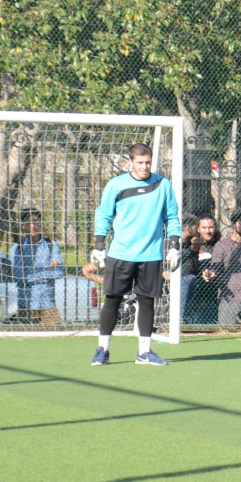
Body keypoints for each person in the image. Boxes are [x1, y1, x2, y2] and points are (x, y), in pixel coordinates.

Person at [90, 142, 180, 366]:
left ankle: (144, 352)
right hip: (120, 253)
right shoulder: (116, 184)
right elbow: (103, 214)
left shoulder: (163, 184)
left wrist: (174, 245)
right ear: (130, 162)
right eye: (140, 162)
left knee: (147, 301)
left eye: (147, 162)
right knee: (112, 300)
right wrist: (99, 245)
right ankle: (102, 349)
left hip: (151, 255)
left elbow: (172, 217)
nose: (144, 166)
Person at [9, 209, 62, 326]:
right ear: (23, 226)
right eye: (28, 223)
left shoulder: (51, 245)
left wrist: (30, 271)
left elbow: (58, 272)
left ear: (40, 223)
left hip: (48, 302)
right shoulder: (17, 248)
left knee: (55, 332)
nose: (32, 226)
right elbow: (20, 276)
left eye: (35, 221)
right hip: (26, 303)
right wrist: (47, 269)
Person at [183, 215, 221, 324]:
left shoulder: (219, 246)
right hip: (193, 295)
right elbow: (186, 272)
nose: (207, 231)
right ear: (198, 229)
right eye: (204, 228)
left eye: (211, 227)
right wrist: (194, 250)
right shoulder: (188, 246)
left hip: (212, 296)